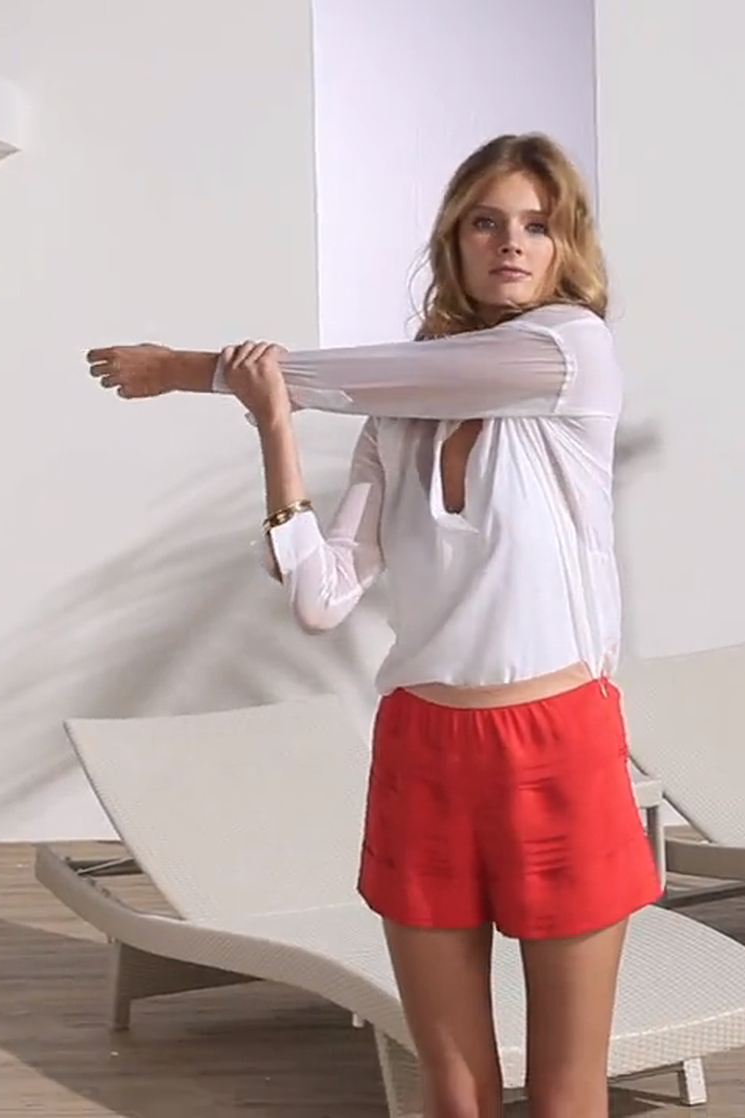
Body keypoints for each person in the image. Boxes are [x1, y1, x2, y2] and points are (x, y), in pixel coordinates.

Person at [84, 132, 657, 1118]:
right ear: (453, 241)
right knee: (453, 1086)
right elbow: (322, 597)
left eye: (537, 225)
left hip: (557, 745)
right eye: (486, 222)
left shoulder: (571, 354)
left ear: (566, 246)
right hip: (423, 752)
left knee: (567, 1090)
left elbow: (364, 374)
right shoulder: (400, 417)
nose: (511, 243)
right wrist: (273, 426)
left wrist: (184, 366)